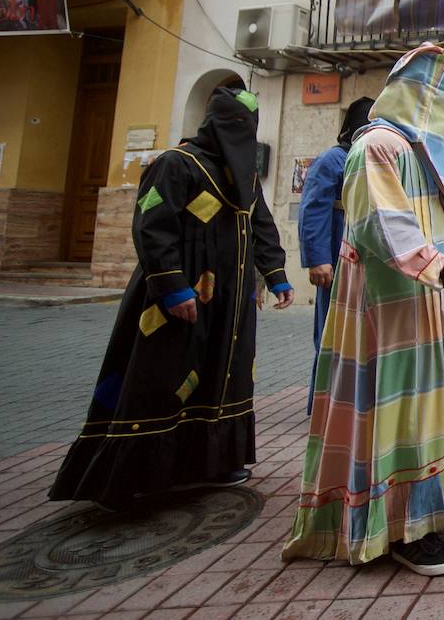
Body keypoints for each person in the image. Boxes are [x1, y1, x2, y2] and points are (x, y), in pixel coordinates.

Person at [282, 43, 444, 577]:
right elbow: (379, 227)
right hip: (386, 310)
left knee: (425, 411)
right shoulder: (376, 147)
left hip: (423, 303)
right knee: (397, 412)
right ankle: (397, 529)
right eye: (434, 93)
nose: (441, 105)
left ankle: (422, 514)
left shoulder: (421, 149)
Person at [50, 87, 294, 509]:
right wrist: (173, 287)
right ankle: (138, 475)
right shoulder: (176, 165)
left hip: (230, 306)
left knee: (224, 374)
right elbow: (151, 225)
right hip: (176, 301)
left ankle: (213, 462)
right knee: (167, 376)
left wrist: (276, 276)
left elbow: (262, 226)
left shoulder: (244, 176)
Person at [298, 95, 375, 413]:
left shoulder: (374, 157)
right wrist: (318, 259)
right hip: (336, 260)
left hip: (367, 263)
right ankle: (323, 405)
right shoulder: (332, 159)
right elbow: (312, 209)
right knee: (331, 331)